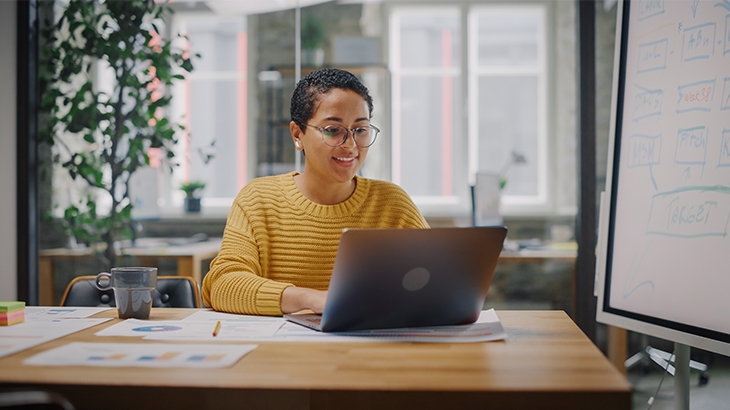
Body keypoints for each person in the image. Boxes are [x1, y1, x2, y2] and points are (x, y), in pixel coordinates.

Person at [202, 68, 428, 316]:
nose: (350, 145)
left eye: (360, 130)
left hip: (371, 347)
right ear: (298, 134)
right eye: (333, 130)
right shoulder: (258, 200)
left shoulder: (392, 203)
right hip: (285, 352)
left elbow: (439, 280)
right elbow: (223, 285)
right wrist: (310, 299)